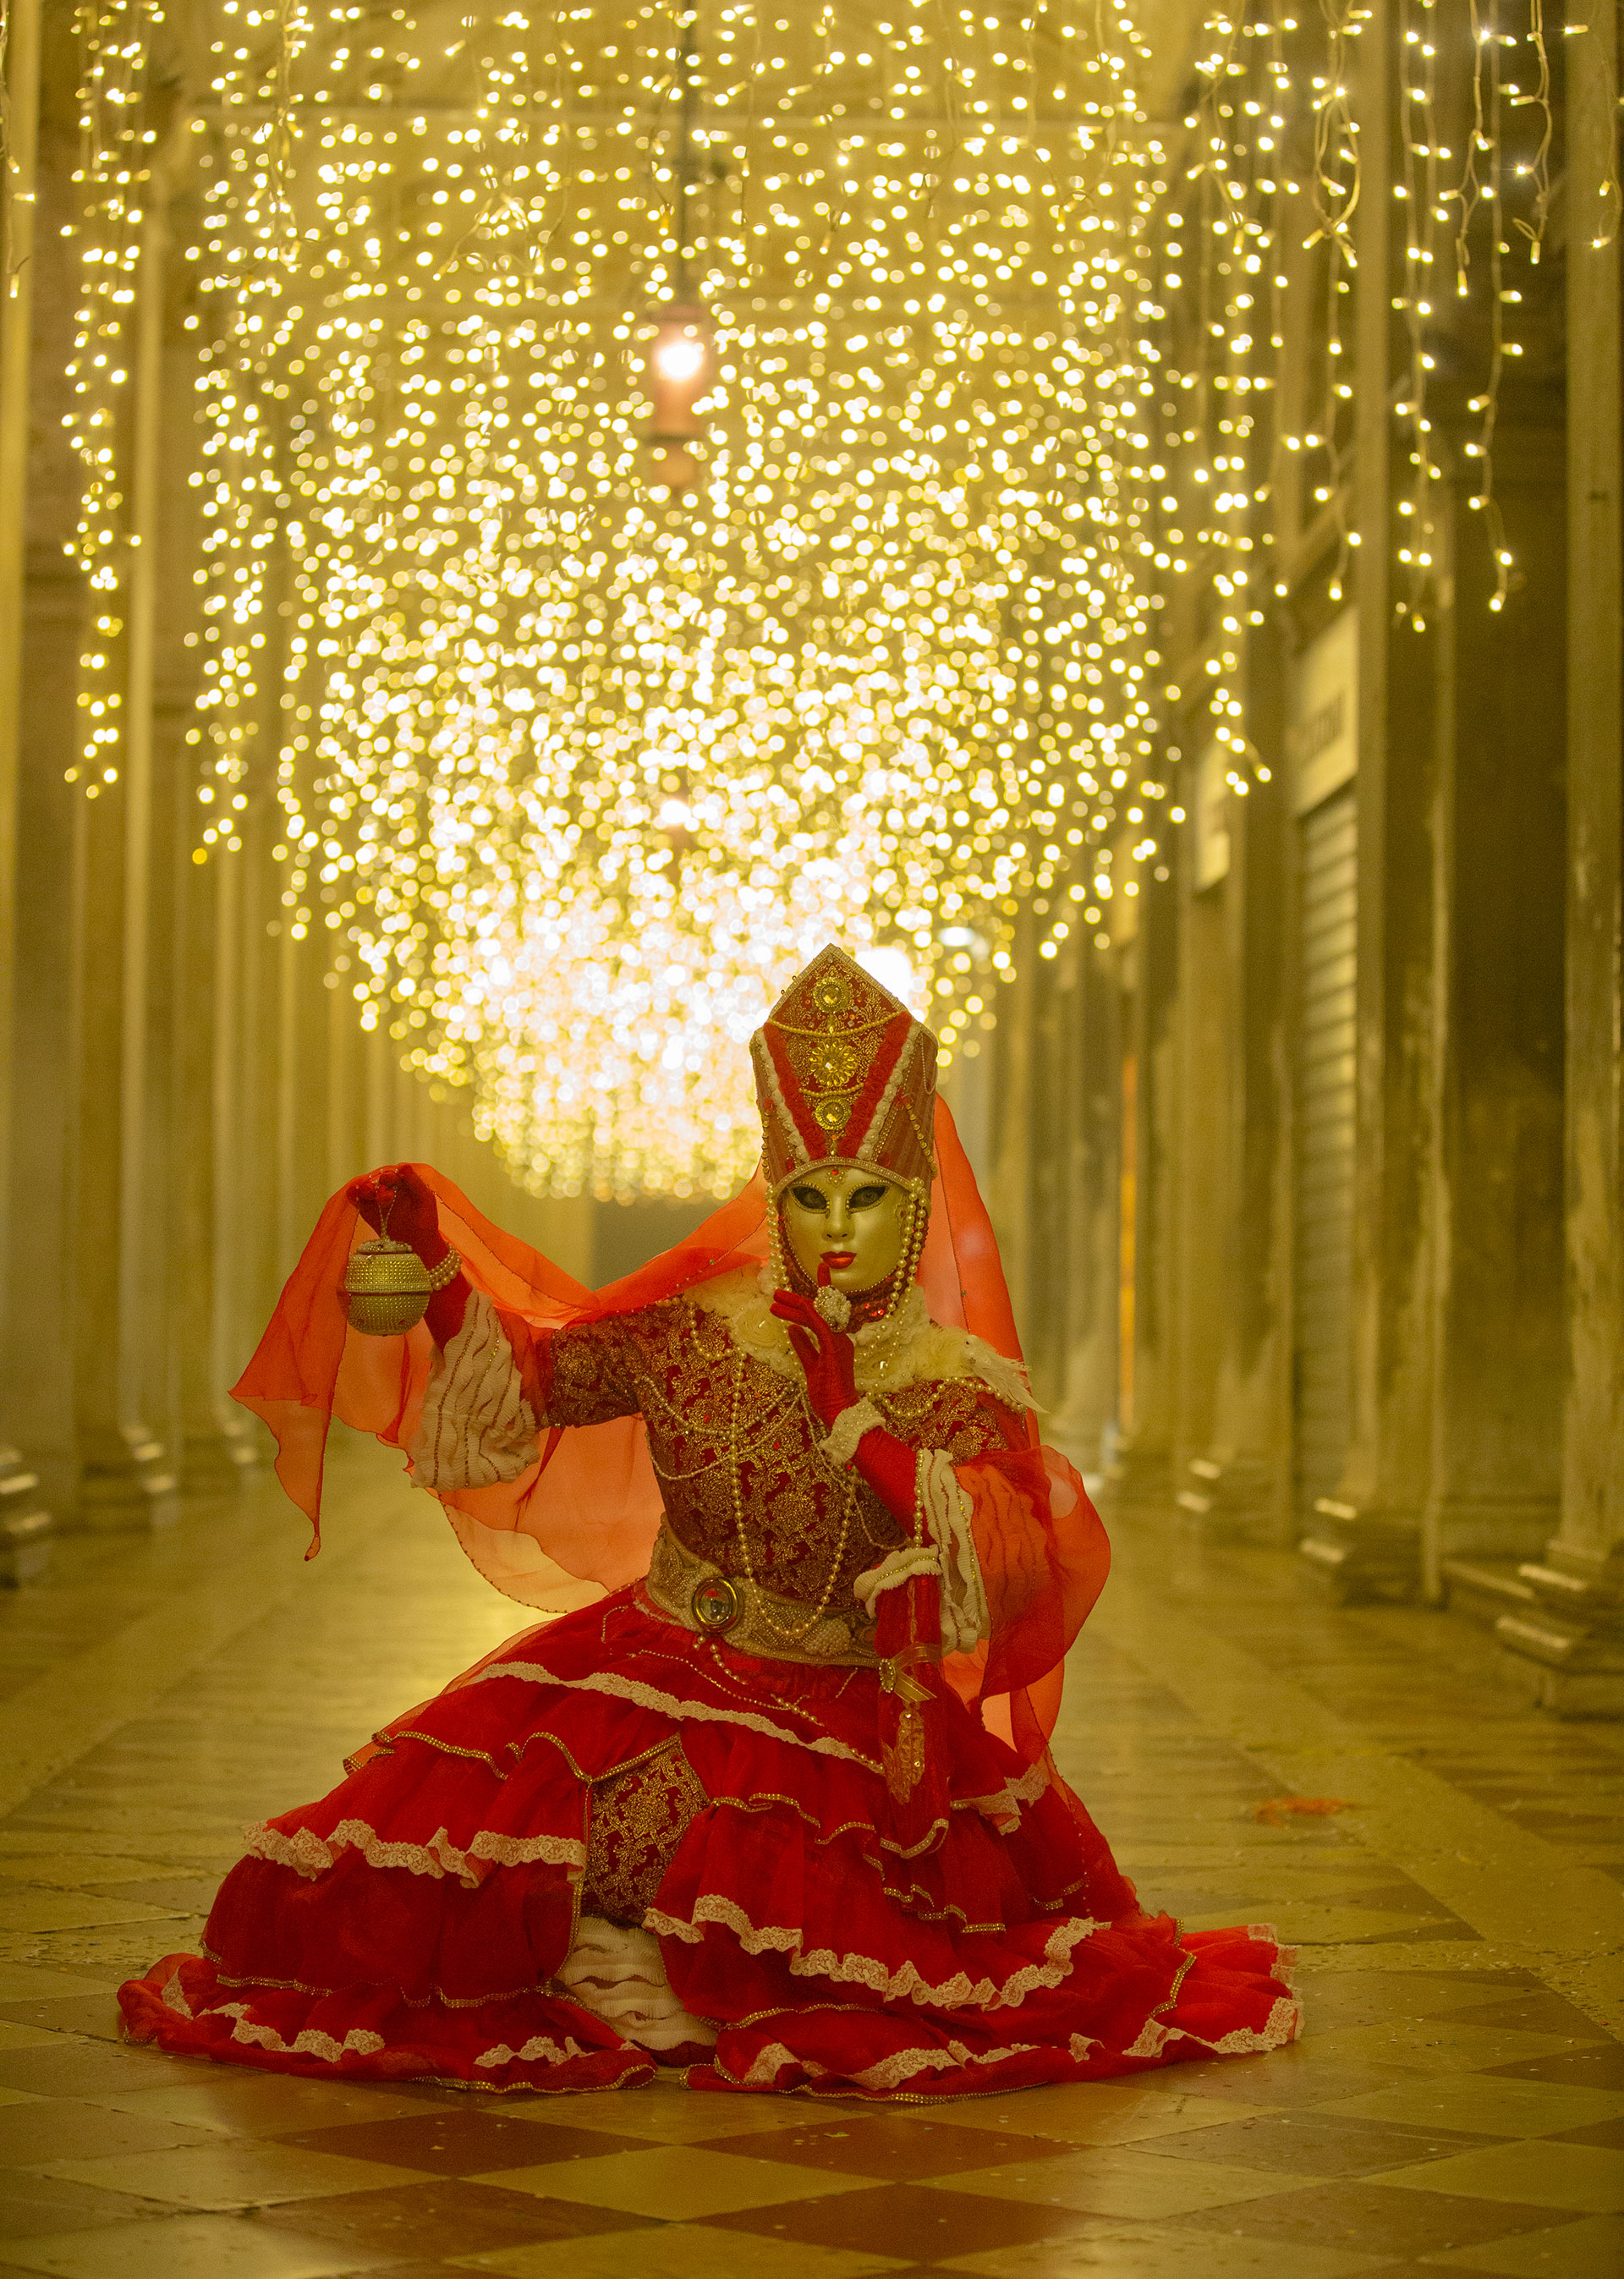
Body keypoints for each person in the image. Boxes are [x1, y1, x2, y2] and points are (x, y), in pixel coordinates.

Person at [119, 945, 1298, 2097]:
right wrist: (438, 1273)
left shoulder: (960, 1387)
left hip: (843, 1716)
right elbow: (533, 1385)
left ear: (917, 1200)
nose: (839, 1225)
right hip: (653, 1660)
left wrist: (860, 1420)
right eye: (812, 1195)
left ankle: (668, 1972)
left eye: (870, 1197)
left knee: (828, 1921)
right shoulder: (688, 1332)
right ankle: (625, 1966)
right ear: (775, 1198)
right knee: (476, 1860)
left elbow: (1022, 1572)